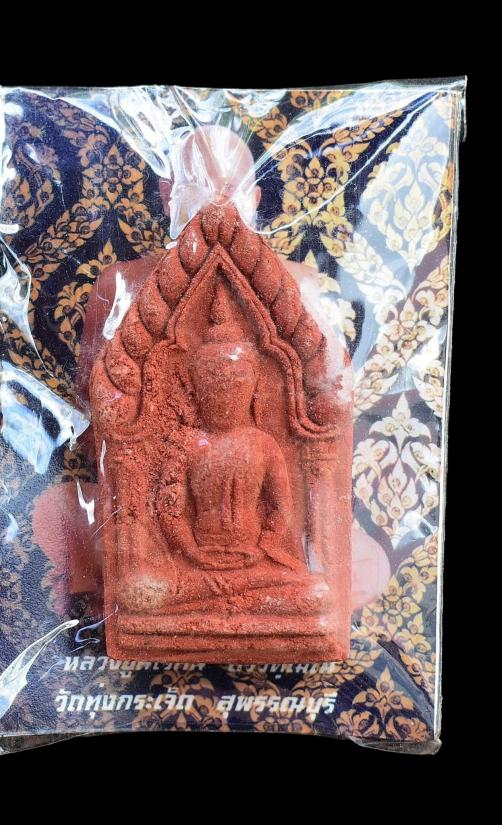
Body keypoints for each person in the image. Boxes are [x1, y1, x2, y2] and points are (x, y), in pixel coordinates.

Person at [33, 124, 389, 616]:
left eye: (231, 188)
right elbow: (97, 420)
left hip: (259, 562)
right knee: (57, 513)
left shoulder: (301, 286)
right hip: (169, 546)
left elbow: (322, 434)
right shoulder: (121, 285)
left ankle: (213, 604)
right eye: (199, 186)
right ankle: (175, 598)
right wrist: (169, 528)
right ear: (167, 196)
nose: (217, 204)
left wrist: (271, 547)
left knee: (360, 568)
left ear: (256, 198)